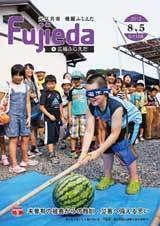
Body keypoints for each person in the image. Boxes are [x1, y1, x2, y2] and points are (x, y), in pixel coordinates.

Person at [79, 74, 142, 195]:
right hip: (113, 121)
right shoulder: (91, 106)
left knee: (123, 148)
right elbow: (89, 131)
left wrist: (97, 152)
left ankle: (134, 179)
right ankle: (108, 177)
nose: (91, 97)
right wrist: (83, 153)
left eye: (94, 93)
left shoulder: (115, 106)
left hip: (131, 120)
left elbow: (114, 135)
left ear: (104, 92)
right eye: (88, 94)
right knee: (106, 149)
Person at [5, 64, 38, 173]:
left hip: (24, 116)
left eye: (21, 75)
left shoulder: (26, 86)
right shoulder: (7, 86)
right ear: (12, 75)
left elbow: (28, 102)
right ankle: (14, 165)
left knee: (25, 138)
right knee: (13, 139)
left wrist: (29, 116)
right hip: (12, 116)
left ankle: (25, 160)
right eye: (16, 75)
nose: (18, 77)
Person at [40, 75, 64, 163]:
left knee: (55, 136)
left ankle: (53, 151)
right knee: (50, 136)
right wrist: (49, 115)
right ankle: (51, 154)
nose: (51, 85)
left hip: (57, 118)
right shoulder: (44, 94)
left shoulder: (57, 93)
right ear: (46, 84)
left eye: (53, 83)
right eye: (49, 84)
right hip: (49, 119)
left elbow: (60, 105)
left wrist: (62, 116)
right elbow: (41, 107)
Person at [68, 71, 88, 158]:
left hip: (84, 114)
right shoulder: (71, 91)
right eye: (74, 79)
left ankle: (83, 150)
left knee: (83, 133)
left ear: (80, 80)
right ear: (72, 80)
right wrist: (69, 116)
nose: (76, 81)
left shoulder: (85, 90)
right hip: (74, 114)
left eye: (77, 79)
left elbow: (89, 102)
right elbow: (69, 103)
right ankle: (73, 150)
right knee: (73, 134)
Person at [24, 63, 42, 156]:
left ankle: (34, 147)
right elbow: (24, 92)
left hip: (36, 105)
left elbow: (37, 91)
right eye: (27, 69)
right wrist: (30, 95)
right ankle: (29, 148)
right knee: (29, 127)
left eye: (31, 69)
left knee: (34, 127)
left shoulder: (33, 80)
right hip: (28, 105)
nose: (29, 70)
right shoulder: (23, 80)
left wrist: (40, 101)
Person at [0, 82, 10, 166]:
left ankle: (4, 157)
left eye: (2, 93)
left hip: (1, 123)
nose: (1, 94)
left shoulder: (5, 101)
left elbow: (6, 111)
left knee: (2, 140)